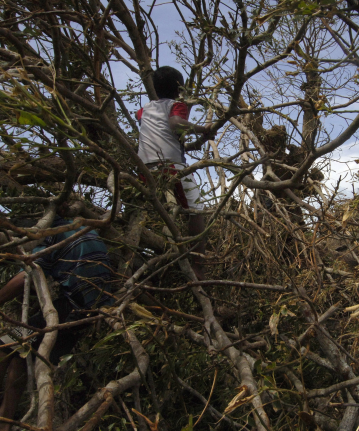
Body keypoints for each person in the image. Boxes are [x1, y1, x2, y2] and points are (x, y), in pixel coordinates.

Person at [0, 217, 113, 429]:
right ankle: (4, 421)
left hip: (75, 310)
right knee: (20, 357)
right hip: (93, 306)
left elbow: (23, 279)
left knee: (5, 346)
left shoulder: (54, 239)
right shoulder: (84, 229)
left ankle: (4, 421)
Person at [136, 66, 213, 280]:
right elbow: (175, 124)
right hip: (171, 168)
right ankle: (199, 267)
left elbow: (160, 132)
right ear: (180, 89)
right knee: (196, 211)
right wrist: (203, 130)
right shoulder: (177, 105)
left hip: (145, 169)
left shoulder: (143, 111)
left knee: (157, 210)